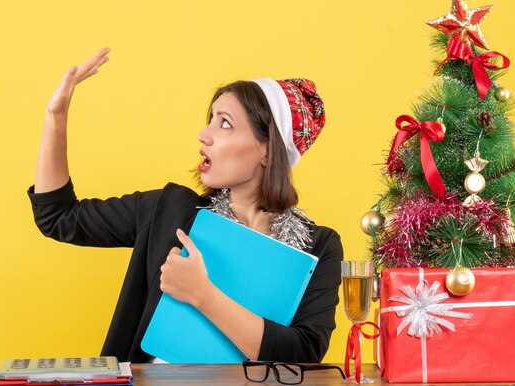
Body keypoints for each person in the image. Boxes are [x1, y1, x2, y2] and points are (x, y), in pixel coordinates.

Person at [27, 48, 343, 363]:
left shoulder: (318, 248)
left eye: (225, 124)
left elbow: (304, 353)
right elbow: (58, 217)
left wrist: (202, 295)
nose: (203, 135)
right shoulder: (168, 210)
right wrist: (56, 117)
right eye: (210, 120)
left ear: (268, 151)